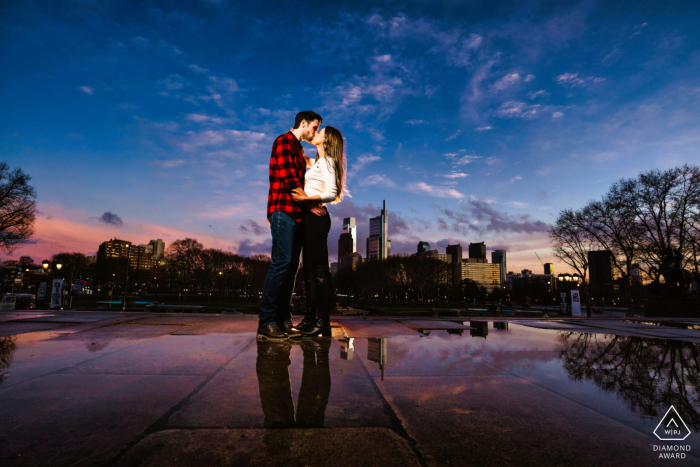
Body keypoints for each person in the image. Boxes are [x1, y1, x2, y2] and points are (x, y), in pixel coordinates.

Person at [257, 111, 325, 342]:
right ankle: (266, 322)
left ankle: (283, 320)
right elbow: (290, 180)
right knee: (282, 263)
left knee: (290, 268)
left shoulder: (299, 148)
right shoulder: (285, 141)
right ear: (303, 123)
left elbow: (316, 167)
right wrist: (310, 203)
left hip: (295, 214)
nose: (315, 132)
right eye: (314, 128)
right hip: (283, 210)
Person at [292, 126, 346, 337]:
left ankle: (322, 322)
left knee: (320, 271)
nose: (315, 133)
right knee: (309, 272)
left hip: (317, 218)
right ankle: (309, 319)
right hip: (308, 218)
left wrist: (305, 199)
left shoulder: (329, 162)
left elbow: (332, 193)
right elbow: (304, 157)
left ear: (326, 140)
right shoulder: (317, 163)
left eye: (319, 132)